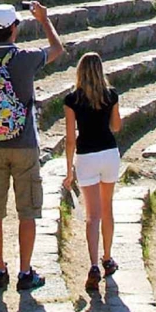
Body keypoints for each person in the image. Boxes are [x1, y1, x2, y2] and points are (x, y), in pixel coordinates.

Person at [0, 1, 65, 291]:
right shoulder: (25, 58)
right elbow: (57, 49)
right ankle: (25, 272)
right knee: (27, 210)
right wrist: (44, 19)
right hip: (24, 143)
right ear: (15, 28)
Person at [62, 53, 122, 293]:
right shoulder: (111, 95)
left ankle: (94, 265)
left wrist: (69, 171)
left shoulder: (71, 99)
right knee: (108, 209)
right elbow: (116, 127)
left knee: (92, 215)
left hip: (86, 155)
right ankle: (108, 258)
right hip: (109, 153)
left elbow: (69, 139)